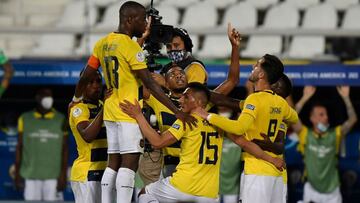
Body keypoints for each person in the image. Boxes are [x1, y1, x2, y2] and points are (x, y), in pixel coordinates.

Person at [71, 1, 195, 203]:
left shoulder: (102, 43)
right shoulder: (130, 46)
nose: (145, 24)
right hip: (129, 111)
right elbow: (151, 84)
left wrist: (76, 98)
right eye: (142, 20)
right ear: (129, 19)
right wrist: (176, 110)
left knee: (113, 163)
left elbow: (87, 73)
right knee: (129, 164)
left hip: (110, 108)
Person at [120, 82, 285, 203]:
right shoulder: (218, 122)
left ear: (199, 103)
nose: (181, 100)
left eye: (186, 96)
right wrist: (272, 159)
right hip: (209, 195)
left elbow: (157, 142)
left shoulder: (187, 120)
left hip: (181, 187)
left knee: (144, 194)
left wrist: (139, 116)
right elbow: (246, 144)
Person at [143, 23, 241, 179]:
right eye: (168, 46)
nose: (172, 50)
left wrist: (235, 48)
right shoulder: (160, 99)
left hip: (192, 161)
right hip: (171, 162)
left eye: (176, 45)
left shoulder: (196, 89)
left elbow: (230, 82)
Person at [195, 55, 299, 203]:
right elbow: (294, 117)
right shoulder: (280, 104)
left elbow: (239, 128)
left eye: (257, 65)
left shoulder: (254, 99)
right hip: (276, 172)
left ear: (262, 74)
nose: (252, 67)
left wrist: (208, 116)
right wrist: (280, 124)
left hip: (257, 169)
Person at [292, 85, 358, 203]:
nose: (326, 117)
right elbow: (291, 117)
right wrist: (304, 98)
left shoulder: (335, 134)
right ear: (312, 118)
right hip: (311, 190)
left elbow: (352, 119)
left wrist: (346, 98)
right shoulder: (305, 134)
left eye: (326, 114)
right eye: (321, 115)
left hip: (332, 192)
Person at [15, 88, 68, 201]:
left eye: (50, 95)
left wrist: (63, 175)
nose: (48, 98)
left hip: (53, 176)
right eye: (44, 95)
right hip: (30, 175)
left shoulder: (61, 119)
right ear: (37, 98)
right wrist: (17, 173)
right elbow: (19, 147)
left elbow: (65, 149)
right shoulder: (24, 118)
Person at [69, 70, 111, 203]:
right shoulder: (79, 109)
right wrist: (105, 108)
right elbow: (87, 135)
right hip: (87, 173)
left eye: (98, 81)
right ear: (82, 86)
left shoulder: (104, 105)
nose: (96, 86)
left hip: (107, 172)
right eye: (90, 82)